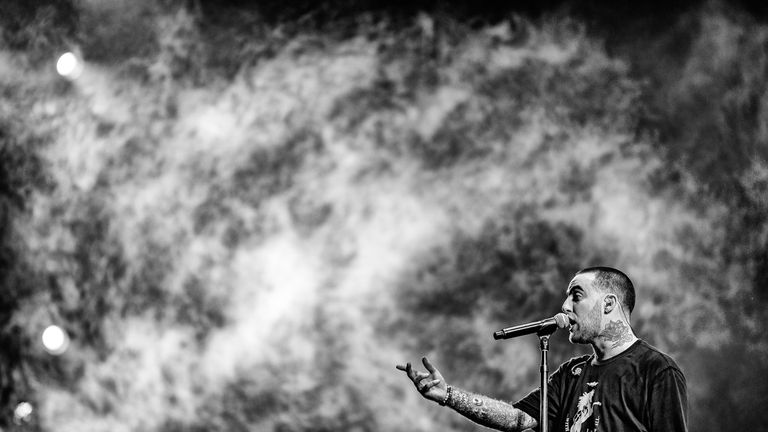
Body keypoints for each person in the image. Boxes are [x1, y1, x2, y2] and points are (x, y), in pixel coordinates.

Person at [396, 266, 688, 432]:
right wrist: (447, 395)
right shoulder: (571, 375)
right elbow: (517, 419)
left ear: (609, 304)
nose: (564, 307)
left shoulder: (656, 370)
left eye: (576, 296)